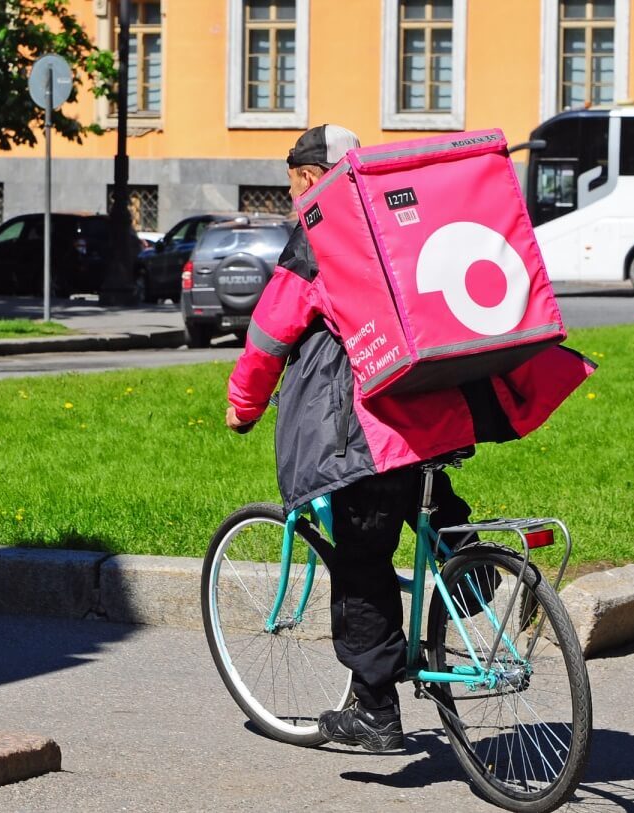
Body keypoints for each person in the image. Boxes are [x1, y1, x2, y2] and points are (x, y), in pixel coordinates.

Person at [224, 124, 486, 753]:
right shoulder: (407, 221)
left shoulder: (322, 234)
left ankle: (374, 711)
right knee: (432, 514)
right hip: (436, 412)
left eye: (293, 186)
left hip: (367, 435)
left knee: (363, 561)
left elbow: (269, 333)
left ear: (312, 178)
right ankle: (484, 577)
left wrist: (242, 405)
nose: (293, 202)